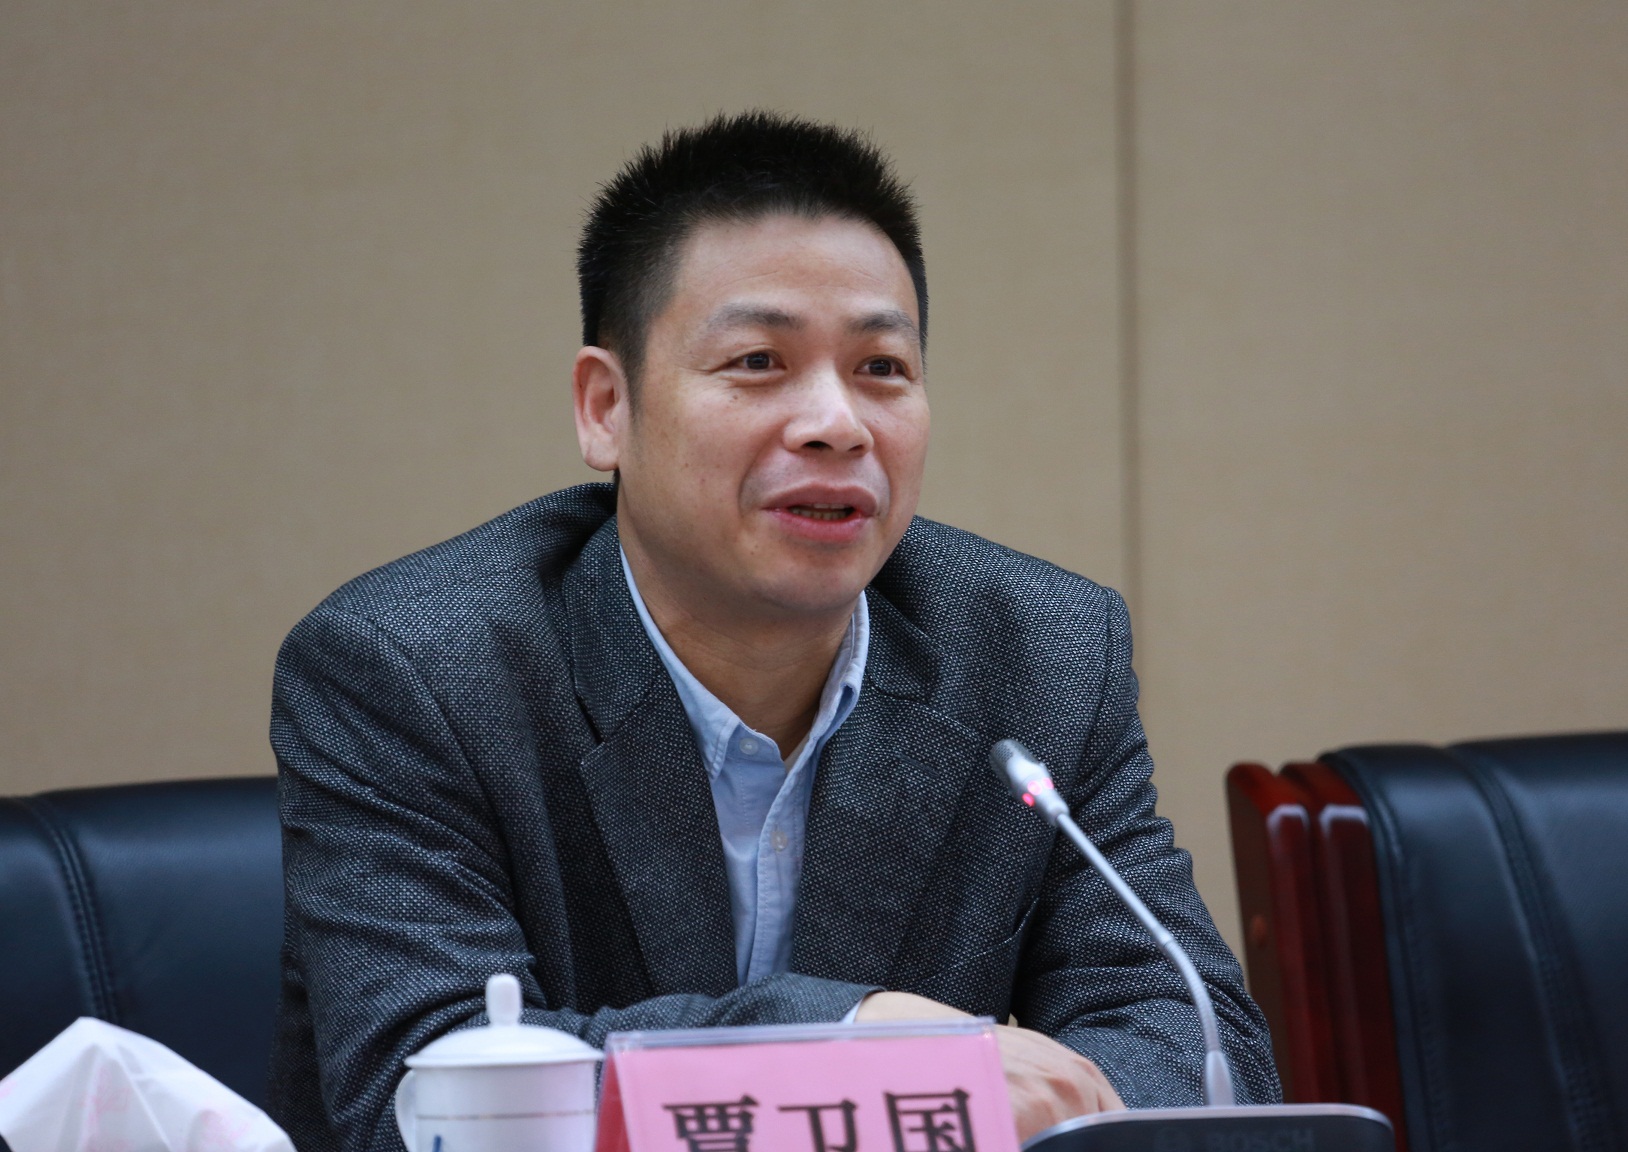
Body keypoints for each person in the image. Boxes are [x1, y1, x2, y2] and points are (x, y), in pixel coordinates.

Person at [268, 110, 1279, 1152]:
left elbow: (1200, 1044)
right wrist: (846, 1040)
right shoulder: (411, 670)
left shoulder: (1042, 655)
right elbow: (424, 1093)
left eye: (882, 368)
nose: (837, 424)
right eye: (758, 361)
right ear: (606, 408)